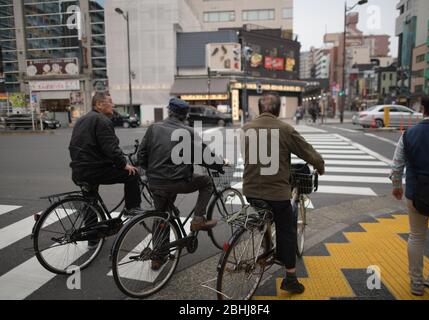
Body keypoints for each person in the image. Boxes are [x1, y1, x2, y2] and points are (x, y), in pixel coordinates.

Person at [242, 92, 325, 294]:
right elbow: (307, 152)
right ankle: (290, 277)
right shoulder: (285, 129)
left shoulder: (246, 129)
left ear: (260, 110)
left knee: (264, 215)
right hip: (277, 194)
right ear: (277, 110)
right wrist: (319, 165)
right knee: (287, 231)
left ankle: (267, 246)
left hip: (250, 190)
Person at [138, 98, 225, 270]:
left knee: (160, 214)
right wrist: (220, 165)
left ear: (168, 111)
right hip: (178, 181)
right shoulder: (189, 132)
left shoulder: (154, 128)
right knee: (207, 182)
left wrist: (151, 173)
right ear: (185, 115)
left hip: (155, 182)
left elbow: (141, 155)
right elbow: (206, 156)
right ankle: (198, 220)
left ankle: (158, 257)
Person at [390, 91, 429, 299]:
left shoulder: (409, 134)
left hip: (415, 195)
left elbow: (397, 165)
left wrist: (397, 186)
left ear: (423, 109)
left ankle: (416, 282)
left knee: (416, 236)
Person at [69, 92, 142, 248]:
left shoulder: (81, 120)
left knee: (91, 201)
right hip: (95, 169)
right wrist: (124, 165)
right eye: (110, 101)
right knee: (132, 174)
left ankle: (93, 239)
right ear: (99, 105)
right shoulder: (102, 120)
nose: (113, 105)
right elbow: (111, 148)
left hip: (79, 169)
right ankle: (132, 209)